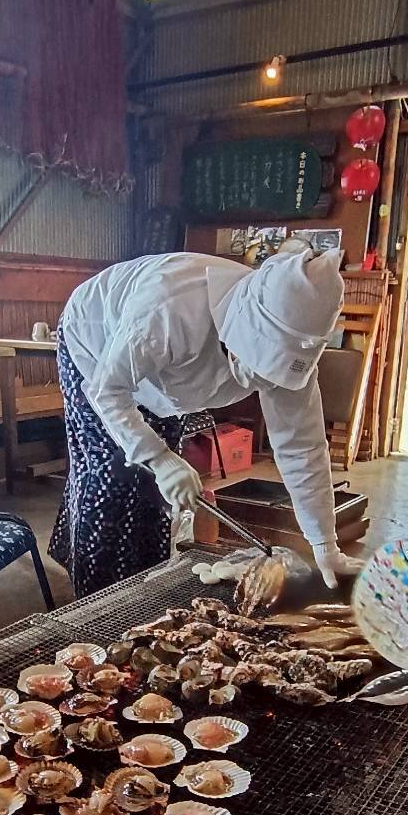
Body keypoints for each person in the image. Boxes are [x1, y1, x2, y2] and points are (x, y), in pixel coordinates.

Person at [49, 245, 364, 597]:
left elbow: (302, 447)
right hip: (93, 347)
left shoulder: (293, 352)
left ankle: (140, 589)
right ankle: (93, 599)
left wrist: (325, 545)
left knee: (159, 493)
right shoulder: (170, 308)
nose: (263, 380)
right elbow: (107, 392)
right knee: (110, 479)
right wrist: (159, 457)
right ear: (247, 327)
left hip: (161, 379)